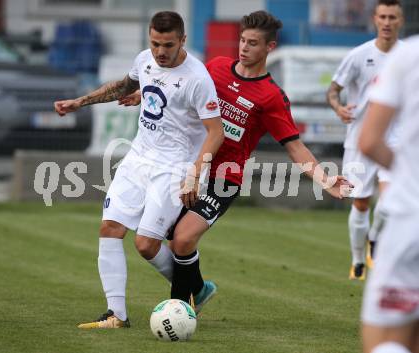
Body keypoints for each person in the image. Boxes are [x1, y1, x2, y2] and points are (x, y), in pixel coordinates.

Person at [120, 10, 352, 310]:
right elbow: (183, 87)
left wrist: (325, 179)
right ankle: (199, 290)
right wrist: (144, 93)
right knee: (150, 241)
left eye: (253, 43)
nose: (244, 48)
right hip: (187, 166)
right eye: (242, 40)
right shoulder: (215, 68)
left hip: (224, 178)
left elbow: (294, 147)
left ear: (270, 48)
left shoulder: (271, 97)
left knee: (182, 239)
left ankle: (179, 310)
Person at [54, 11, 224, 328]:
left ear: (182, 40)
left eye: (168, 45)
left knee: (145, 245)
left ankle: (195, 289)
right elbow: (124, 86)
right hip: (138, 157)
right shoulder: (145, 59)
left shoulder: (197, 78)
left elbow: (216, 132)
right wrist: (80, 101)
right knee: (110, 228)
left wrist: (195, 173)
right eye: (155, 43)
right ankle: (116, 314)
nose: (160, 51)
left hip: (174, 166)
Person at [326, 0, 403, 280]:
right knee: (360, 203)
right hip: (360, 140)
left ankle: (375, 238)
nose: (387, 22)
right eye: (382, 16)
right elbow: (333, 90)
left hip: (396, 141)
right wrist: (338, 107)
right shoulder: (359, 55)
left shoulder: (408, 56)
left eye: (392, 17)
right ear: (374, 19)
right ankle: (358, 259)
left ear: (400, 21)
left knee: (391, 197)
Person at [358, 35, 419, 353]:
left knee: (385, 342)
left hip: (411, 217)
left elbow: (368, 141)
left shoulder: (407, 55)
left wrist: (406, 171)